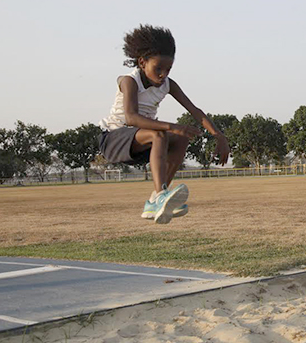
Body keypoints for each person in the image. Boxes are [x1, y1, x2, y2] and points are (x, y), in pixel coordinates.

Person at [98, 24, 230, 224]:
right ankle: (161, 196)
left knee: (180, 139)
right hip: (114, 138)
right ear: (142, 62)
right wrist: (171, 126)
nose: (163, 74)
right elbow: (131, 118)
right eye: (157, 68)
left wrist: (218, 135)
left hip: (140, 141)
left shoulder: (169, 84)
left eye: (168, 69)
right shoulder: (129, 81)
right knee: (158, 133)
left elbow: (194, 111)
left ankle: (156, 199)